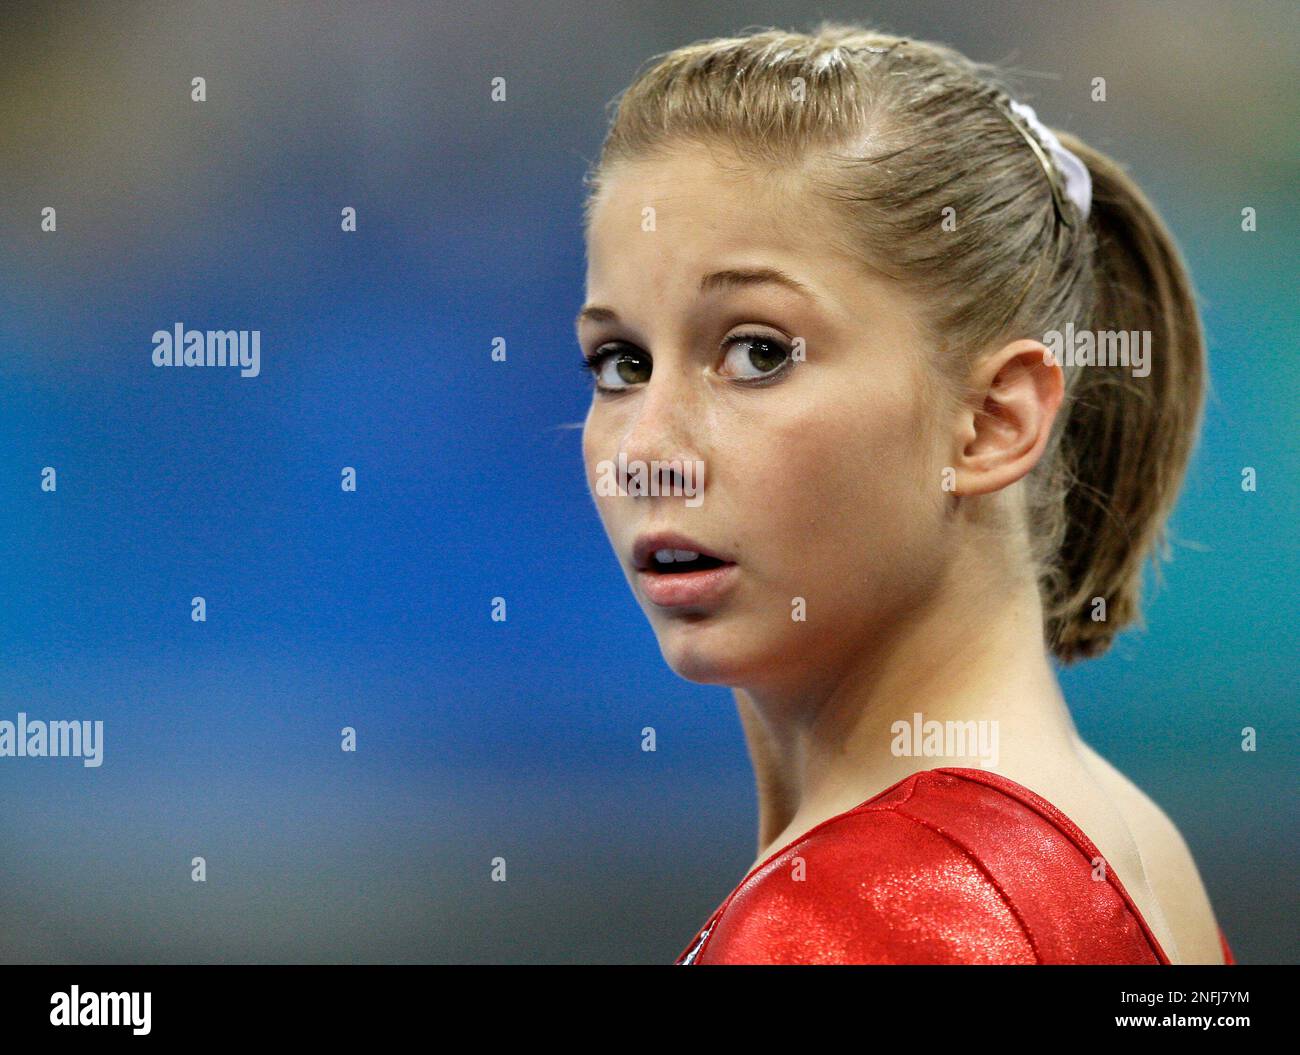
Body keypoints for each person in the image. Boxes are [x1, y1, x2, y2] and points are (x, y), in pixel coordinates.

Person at [574, 22, 1231, 964]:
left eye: (757, 352)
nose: (645, 450)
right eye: (619, 361)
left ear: (993, 421)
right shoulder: (1137, 846)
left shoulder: (846, 922)